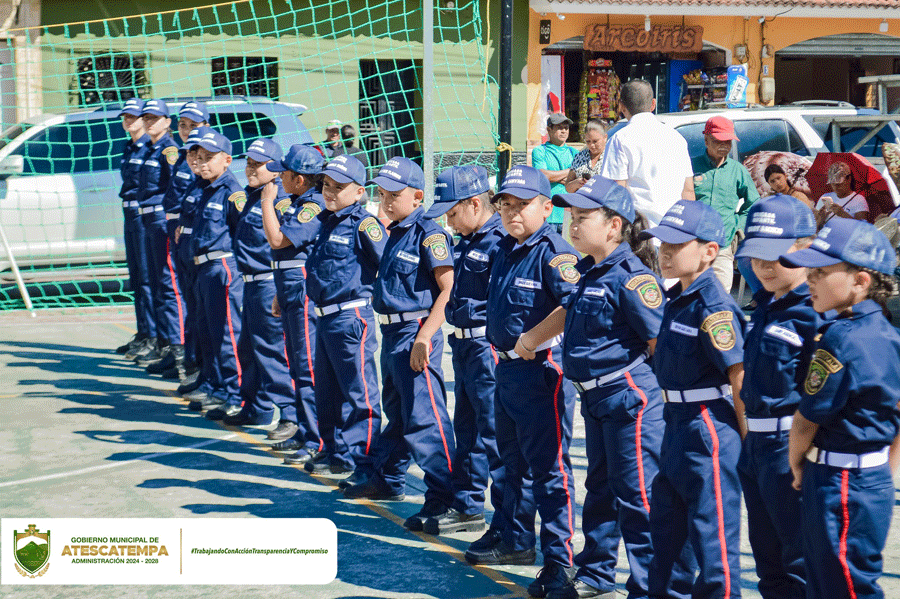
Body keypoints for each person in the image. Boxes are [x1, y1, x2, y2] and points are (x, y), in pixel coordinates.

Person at [543, 177, 668, 599]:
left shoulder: (632, 279)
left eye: (583, 217)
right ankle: (596, 573)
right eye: (571, 217)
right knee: (600, 490)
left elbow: (659, 344)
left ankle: (649, 587)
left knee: (637, 497)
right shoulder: (590, 271)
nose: (573, 225)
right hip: (595, 397)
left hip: (628, 397)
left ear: (614, 226)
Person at [472, 165, 579, 597]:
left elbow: (573, 303)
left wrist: (532, 338)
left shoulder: (554, 253)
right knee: (511, 463)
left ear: (547, 208)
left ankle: (560, 562)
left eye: (523, 204)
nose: (513, 212)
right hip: (506, 369)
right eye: (506, 204)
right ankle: (516, 540)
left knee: (549, 470)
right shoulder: (506, 248)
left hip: (540, 373)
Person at [781, 217, 900, 599]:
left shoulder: (840, 338)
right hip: (868, 477)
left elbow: (806, 421)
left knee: (839, 584)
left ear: (860, 281)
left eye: (821, 272)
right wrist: (886, 468)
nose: (810, 279)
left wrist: (797, 464)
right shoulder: (890, 335)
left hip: (838, 481)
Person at [344, 157, 459, 537]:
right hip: (393, 332)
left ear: (418, 197)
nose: (386, 201)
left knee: (426, 419)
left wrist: (425, 336)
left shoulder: (429, 235)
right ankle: (388, 478)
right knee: (398, 414)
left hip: (415, 331)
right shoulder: (394, 232)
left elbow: (448, 290)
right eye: (382, 194)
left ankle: (443, 497)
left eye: (394, 195)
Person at [642, 200, 746, 599]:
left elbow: (738, 376)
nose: (665, 251)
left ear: (709, 251)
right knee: (668, 532)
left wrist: (748, 444)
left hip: (707, 428)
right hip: (676, 420)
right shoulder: (679, 297)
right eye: (663, 243)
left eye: (677, 244)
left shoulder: (713, 307)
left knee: (712, 538)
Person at [733, 194, 821, 599]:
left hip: (790, 447)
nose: (764, 265)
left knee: (800, 560)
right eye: (756, 255)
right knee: (767, 560)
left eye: (776, 254)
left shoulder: (815, 314)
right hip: (756, 446)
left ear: (807, 247)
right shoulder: (766, 305)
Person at [417, 165, 503, 538]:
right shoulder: (468, 239)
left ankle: (506, 523)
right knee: (467, 431)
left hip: (487, 346)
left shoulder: (498, 241)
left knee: (494, 433)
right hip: (464, 344)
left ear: (474, 204)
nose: (448, 222)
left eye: (452, 213)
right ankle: (467, 506)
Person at [304, 153, 385, 487]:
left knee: (359, 395)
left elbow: (387, 264)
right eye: (326, 185)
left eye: (339, 187)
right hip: (324, 317)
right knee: (327, 392)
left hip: (350, 316)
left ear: (359, 191)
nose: (330, 192)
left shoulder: (364, 225)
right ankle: (336, 453)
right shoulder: (325, 220)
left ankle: (365, 462)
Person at [223, 138, 295, 426]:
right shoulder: (251, 196)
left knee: (272, 351)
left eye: (259, 164)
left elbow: (285, 244)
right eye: (249, 163)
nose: (251, 169)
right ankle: (256, 407)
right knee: (249, 349)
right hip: (250, 283)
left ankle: (290, 415)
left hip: (268, 283)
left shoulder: (279, 200)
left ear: (276, 168)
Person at [260, 144, 326, 454]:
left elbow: (278, 240)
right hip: (288, 286)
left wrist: (266, 201)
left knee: (306, 365)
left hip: (301, 288)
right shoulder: (298, 202)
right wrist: (279, 292)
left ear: (299, 179)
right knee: (295, 363)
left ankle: (316, 438)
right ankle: (304, 429)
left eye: (284, 174)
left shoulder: (312, 205)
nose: (278, 178)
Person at [148, 101, 208, 381]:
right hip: (175, 227)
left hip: (189, 233)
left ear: (205, 126)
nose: (186, 130)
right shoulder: (185, 156)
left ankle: (189, 358)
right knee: (177, 291)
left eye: (193, 125)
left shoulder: (202, 159)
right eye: (183, 125)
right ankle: (184, 354)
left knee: (186, 296)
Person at [186, 129, 245, 415]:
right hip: (204, 267)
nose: (202, 162)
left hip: (223, 267)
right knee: (208, 333)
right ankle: (217, 386)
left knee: (227, 334)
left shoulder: (232, 192)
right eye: (199, 157)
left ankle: (236, 394)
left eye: (209, 157)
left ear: (227, 160)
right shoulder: (206, 188)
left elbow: (242, 234)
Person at [600, 79, 695, 227]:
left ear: (621, 106)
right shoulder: (677, 139)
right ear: (653, 104)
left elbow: (617, 192)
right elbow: (688, 191)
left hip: (639, 231)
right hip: (673, 229)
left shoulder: (620, 139)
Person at [135, 99, 184, 370]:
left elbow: (174, 188)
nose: (149, 122)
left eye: (155, 118)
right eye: (146, 118)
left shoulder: (169, 150)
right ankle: (166, 344)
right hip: (147, 219)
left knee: (168, 283)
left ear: (167, 122)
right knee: (155, 283)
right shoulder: (149, 148)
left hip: (161, 220)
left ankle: (178, 351)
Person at [692, 115, 760, 293]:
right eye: (718, 141)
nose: (724, 146)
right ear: (706, 140)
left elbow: (753, 202)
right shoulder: (691, 166)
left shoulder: (737, 170)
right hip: (693, 244)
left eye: (728, 141)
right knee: (692, 294)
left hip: (723, 245)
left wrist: (738, 224)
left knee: (720, 294)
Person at [116, 98, 156, 361]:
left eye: (134, 116)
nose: (128, 121)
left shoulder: (149, 148)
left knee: (146, 277)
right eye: (126, 117)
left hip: (143, 214)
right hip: (129, 213)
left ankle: (153, 335)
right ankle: (142, 332)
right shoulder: (129, 146)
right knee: (136, 277)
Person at [174, 127, 211, 397]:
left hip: (208, 259)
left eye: (200, 156)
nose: (194, 160)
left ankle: (205, 372)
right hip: (188, 249)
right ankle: (195, 366)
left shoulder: (217, 187)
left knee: (206, 317)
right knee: (194, 312)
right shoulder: (196, 183)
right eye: (190, 154)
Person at [531, 113, 578, 234]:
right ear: (549, 129)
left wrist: (554, 176)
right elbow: (543, 175)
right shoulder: (540, 151)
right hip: (548, 214)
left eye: (566, 128)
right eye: (559, 128)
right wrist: (570, 171)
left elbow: (579, 179)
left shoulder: (574, 153)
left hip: (569, 213)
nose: (564, 131)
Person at [815, 162, 869, 228]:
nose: (835, 187)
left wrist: (843, 214)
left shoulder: (858, 199)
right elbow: (814, 227)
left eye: (839, 184)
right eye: (833, 183)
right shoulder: (825, 197)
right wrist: (821, 218)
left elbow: (862, 227)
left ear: (849, 179)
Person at [564, 119, 608, 193]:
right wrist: (576, 183)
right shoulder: (579, 157)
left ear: (605, 137)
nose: (591, 145)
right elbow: (568, 187)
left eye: (595, 141)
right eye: (588, 141)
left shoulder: (611, 157)